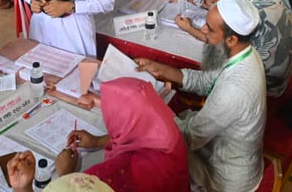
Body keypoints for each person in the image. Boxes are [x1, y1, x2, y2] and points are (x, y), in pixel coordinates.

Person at [136, 0, 265, 191]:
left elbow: (190, 137)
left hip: (225, 174)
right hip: (218, 147)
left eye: (210, 29)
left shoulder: (235, 89)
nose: (203, 30)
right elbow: (205, 81)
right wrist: (160, 69)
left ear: (231, 39)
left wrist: (152, 115)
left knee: (148, 163)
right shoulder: (243, 52)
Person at [49, 78, 189, 191]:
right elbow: (139, 138)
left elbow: (84, 188)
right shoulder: (168, 135)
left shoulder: (121, 170)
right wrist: (98, 141)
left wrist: (65, 174)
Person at [184, 0, 292, 97]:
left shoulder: (254, 17)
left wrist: (189, 28)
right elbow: (244, 1)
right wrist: (217, 2)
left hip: (264, 86)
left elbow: (224, 43)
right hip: (283, 72)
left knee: (199, 64)